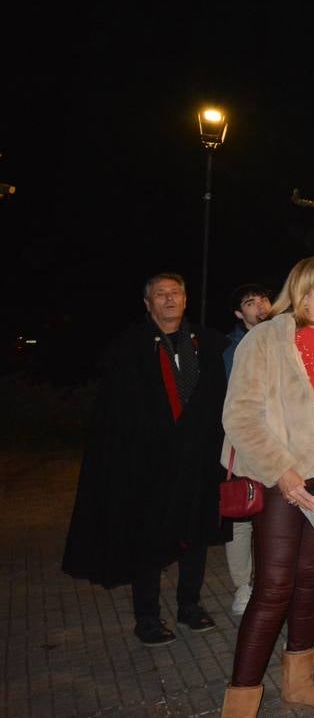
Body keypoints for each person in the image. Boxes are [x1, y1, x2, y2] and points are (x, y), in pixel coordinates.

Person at [218, 255, 314, 715]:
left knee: (310, 581)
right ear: (302, 292)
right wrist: (281, 471)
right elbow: (240, 416)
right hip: (283, 479)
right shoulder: (267, 338)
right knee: (274, 587)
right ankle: (240, 701)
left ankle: (299, 683)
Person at [63, 272, 229, 648]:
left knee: (195, 535)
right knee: (148, 539)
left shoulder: (208, 342)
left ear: (186, 299)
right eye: (160, 294)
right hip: (147, 465)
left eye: (176, 293)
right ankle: (148, 617)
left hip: (198, 461)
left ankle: (189, 606)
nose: (169, 299)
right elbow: (115, 414)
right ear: (147, 303)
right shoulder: (129, 348)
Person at [222, 282, 272, 617]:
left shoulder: (285, 337)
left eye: (263, 298)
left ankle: (270, 581)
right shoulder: (233, 349)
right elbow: (236, 403)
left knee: (276, 515)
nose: (260, 306)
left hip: (281, 443)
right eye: (250, 302)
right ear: (240, 314)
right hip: (244, 443)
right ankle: (243, 585)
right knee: (242, 516)